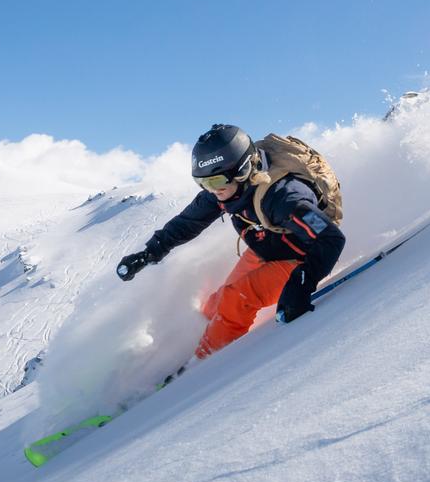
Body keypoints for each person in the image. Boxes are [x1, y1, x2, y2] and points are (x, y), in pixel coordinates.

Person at [116, 124, 346, 360]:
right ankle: (191, 343)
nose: (210, 190)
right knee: (215, 302)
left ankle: (201, 366)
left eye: (214, 183)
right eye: (202, 184)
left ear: (242, 171)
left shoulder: (283, 197)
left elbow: (330, 239)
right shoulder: (225, 188)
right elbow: (187, 222)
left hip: (305, 256)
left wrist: (301, 285)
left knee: (236, 300)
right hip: (269, 244)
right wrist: (149, 253)